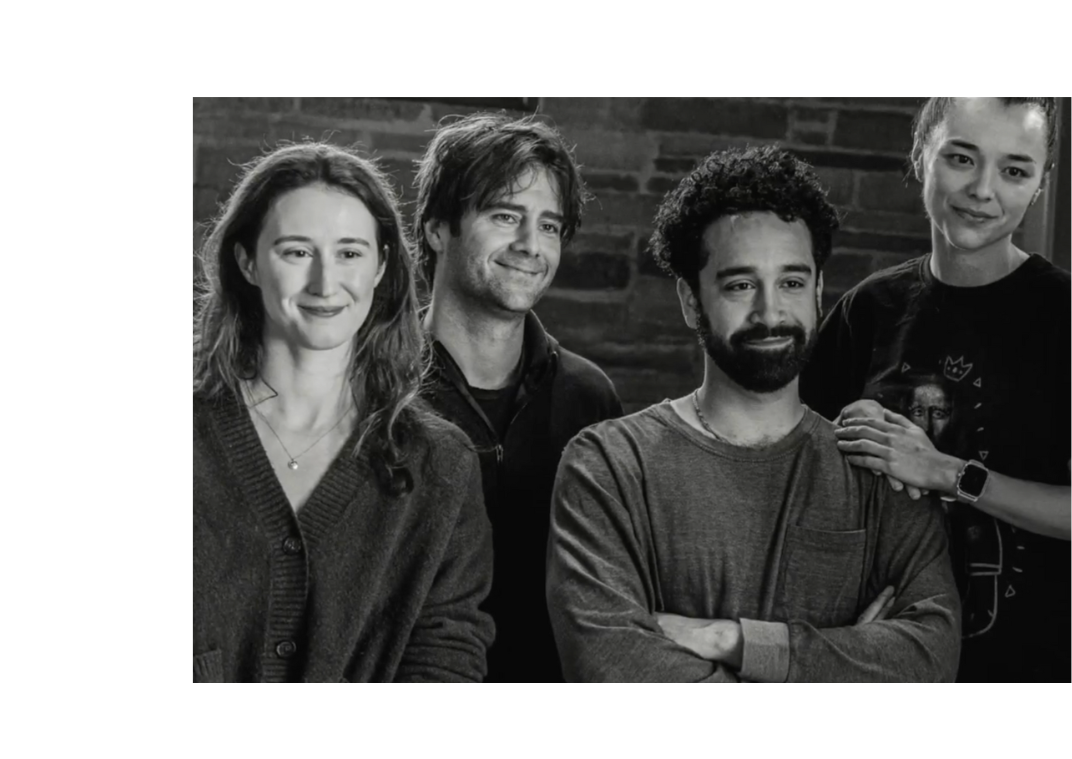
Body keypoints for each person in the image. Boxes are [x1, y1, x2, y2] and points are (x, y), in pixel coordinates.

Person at [546, 145, 961, 682]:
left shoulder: (881, 470)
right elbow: (613, 669)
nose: (770, 312)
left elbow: (930, 661)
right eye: (741, 285)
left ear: (817, 291)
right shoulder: (607, 467)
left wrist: (737, 641)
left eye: (791, 282)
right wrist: (844, 670)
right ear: (691, 300)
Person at [193, 142, 495, 682]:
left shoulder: (440, 465)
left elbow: (448, 655)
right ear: (247, 262)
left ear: (381, 266)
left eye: (350, 253)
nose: (325, 283)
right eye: (296, 252)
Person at [801, 97, 1071, 682]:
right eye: (962, 157)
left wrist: (950, 473)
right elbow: (802, 490)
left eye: (1014, 170)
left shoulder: (1064, 318)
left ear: (1041, 184)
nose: (982, 189)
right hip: (881, 668)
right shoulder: (868, 311)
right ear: (922, 155)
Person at [413, 114, 623, 681]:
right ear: (437, 228)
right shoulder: (370, 387)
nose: (531, 246)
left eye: (550, 226)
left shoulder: (589, 398)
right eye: (505, 216)